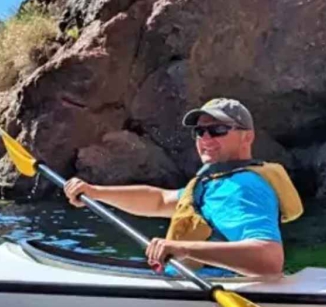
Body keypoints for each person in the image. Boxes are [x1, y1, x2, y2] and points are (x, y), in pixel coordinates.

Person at [61, 98, 302, 278]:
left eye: (218, 130)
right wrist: (95, 193)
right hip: (196, 280)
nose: (206, 139)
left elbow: (269, 260)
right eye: (200, 131)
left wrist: (182, 248)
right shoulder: (217, 180)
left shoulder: (242, 187)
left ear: (247, 137)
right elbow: (159, 201)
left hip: (221, 287)